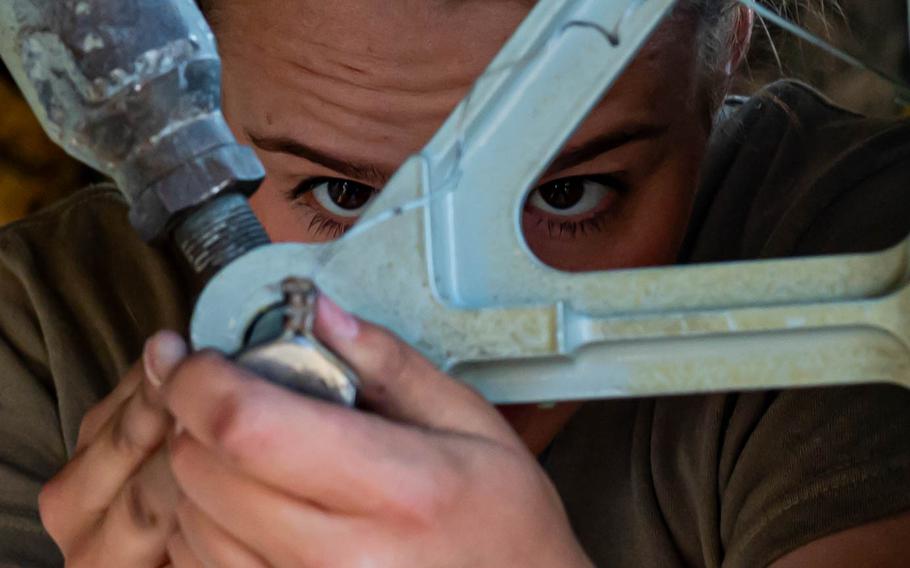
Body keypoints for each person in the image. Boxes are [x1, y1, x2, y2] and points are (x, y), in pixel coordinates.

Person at [1, 0, 909, 566]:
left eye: (568, 193)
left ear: (722, 61)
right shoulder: (40, 337)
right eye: (344, 194)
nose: (443, 333)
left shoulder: (866, 240)